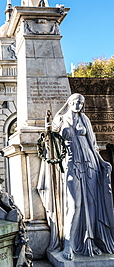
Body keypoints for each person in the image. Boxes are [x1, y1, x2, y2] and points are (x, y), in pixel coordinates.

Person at [52, 93, 114, 259]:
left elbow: (93, 145)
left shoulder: (85, 119)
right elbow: (53, 139)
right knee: (75, 205)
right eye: (75, 102)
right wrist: (53, 125)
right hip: (73, 164)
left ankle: (90, 241)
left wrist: (101, 162)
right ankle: (68, 244)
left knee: (92, 205)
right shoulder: (61, 119)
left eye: (81, 102)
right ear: (69, 102)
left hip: (90, 164)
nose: (78, 105)